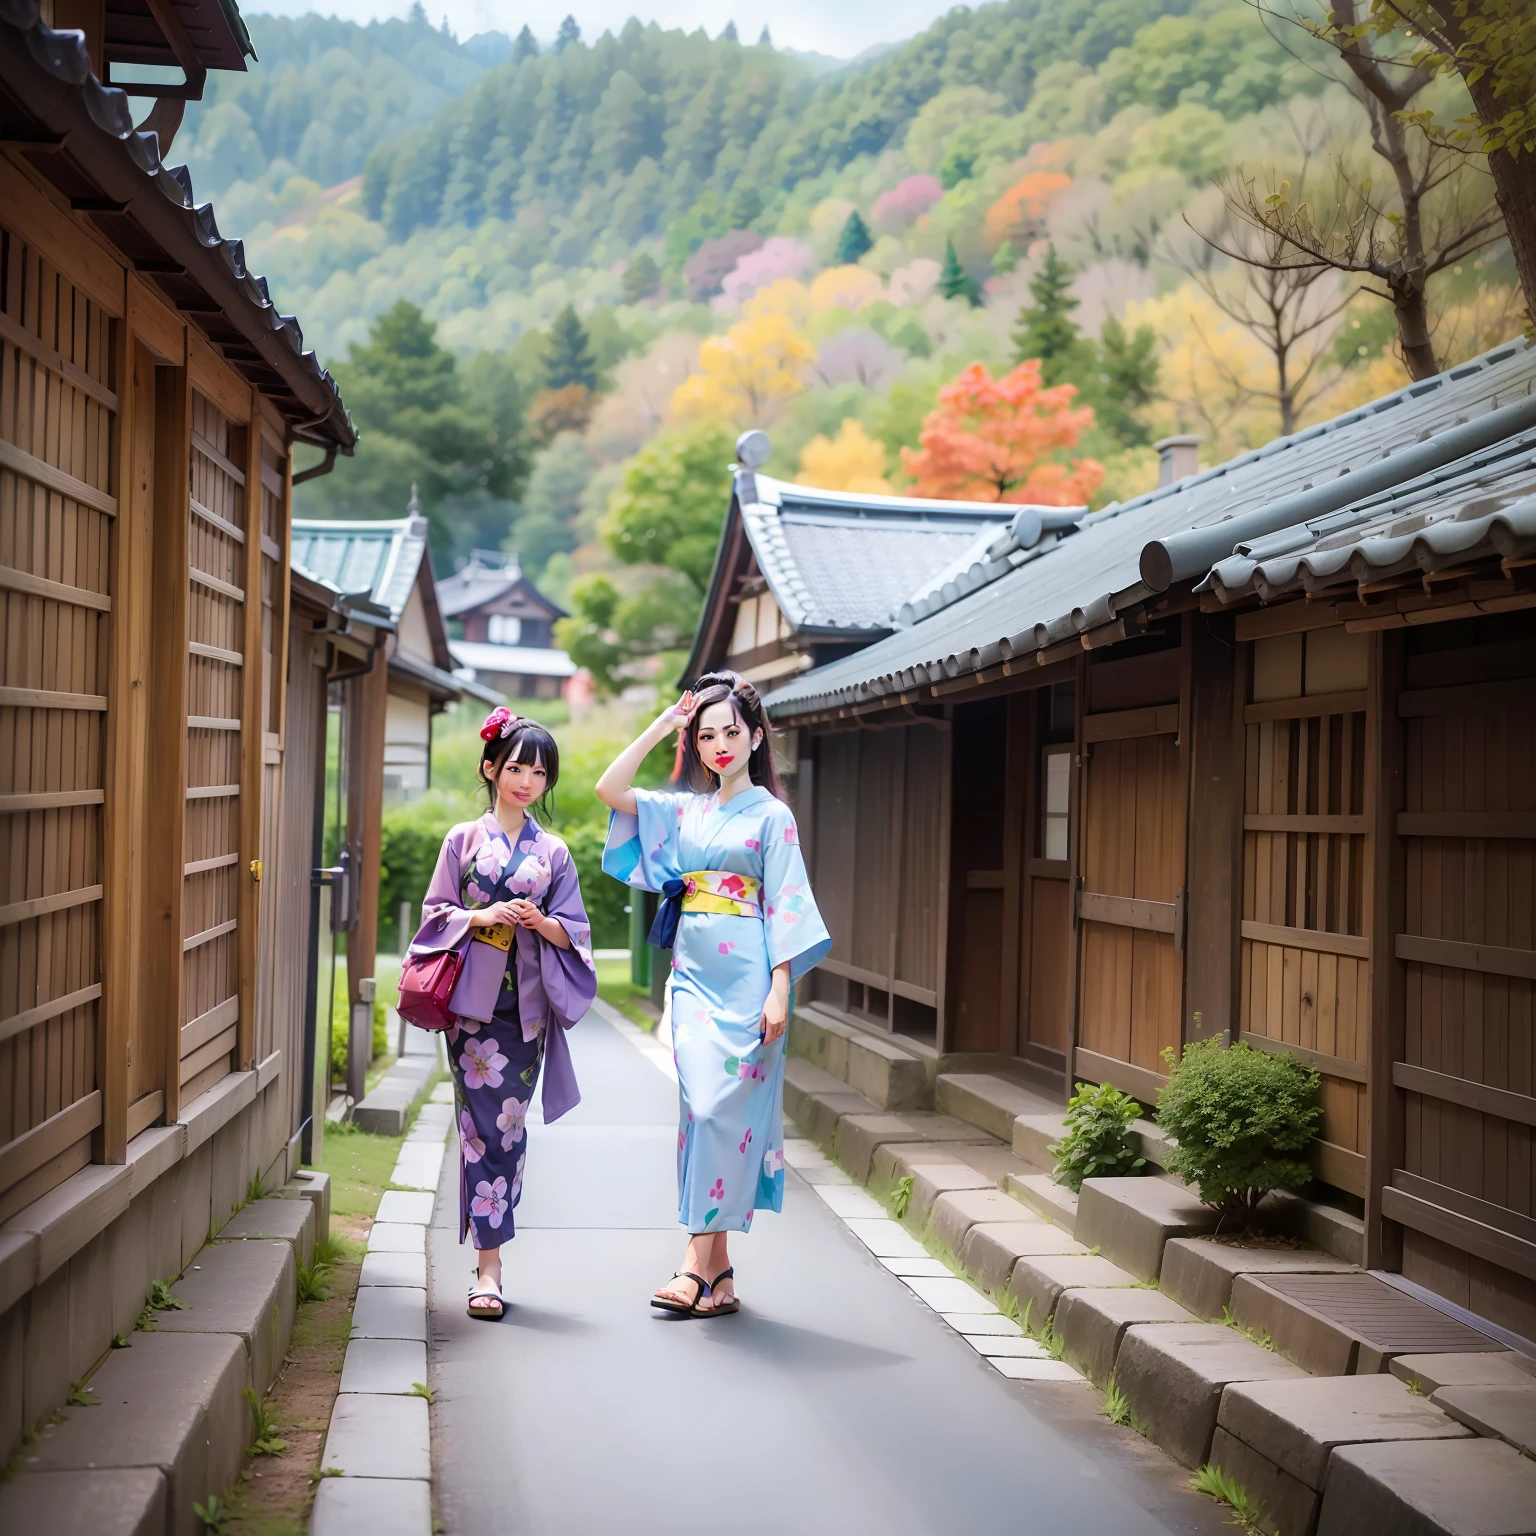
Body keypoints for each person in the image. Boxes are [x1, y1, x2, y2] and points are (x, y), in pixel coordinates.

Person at [597, 671, 830, 1316]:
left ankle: (696, 1266)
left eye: (732, 732)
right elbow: (609, 789)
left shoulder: (773, 817)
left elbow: (785, 904)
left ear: (756, 738)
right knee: (701, 1110)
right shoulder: (684, 810)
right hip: (693, 980)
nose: (720, 744)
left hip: (752, 979)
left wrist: (781, 989)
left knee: (725, 1115)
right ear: (696, 744)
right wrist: (662, 726)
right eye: (707, 735)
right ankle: (716, 1268)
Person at [409, 707, 596, 1320]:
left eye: (539, 773)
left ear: (547, 783)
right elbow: (435, 915)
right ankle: (487, 1269)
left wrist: (541, 922)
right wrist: (481, 916)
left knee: (508, 1131)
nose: (526, 781)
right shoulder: (462, 839)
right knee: (478, 1130)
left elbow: (577, 931)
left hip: (527, 1014)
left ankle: (490, 1255)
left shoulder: (556, 851)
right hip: (471, 1012)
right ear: (492, 769)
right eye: (515, 767)